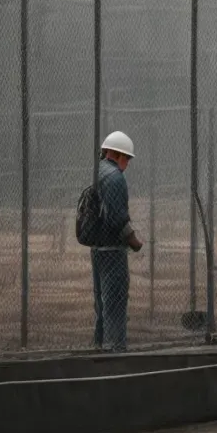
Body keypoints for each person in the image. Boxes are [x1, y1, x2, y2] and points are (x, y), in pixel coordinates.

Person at [91, 131, 143, 352]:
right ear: (117, 154)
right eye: (127, 159)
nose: (127, 164)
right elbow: (117, 217)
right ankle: (115, 350)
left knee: (102, 302)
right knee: (115, 301)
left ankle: (100, 345)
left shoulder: (98, 172)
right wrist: (133, 240)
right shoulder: (114, 177)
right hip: (113, 250)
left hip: (98, 248)